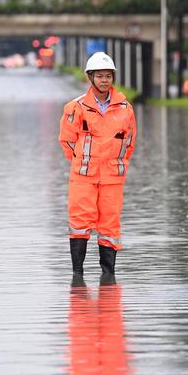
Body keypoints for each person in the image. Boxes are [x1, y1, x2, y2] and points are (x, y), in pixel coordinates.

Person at [59, 52, 136, 277]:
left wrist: (114, 164)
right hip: (84, 176)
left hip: (112, 177)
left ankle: (108, 275)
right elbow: (67, 141)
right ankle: (77, 276)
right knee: (80, 223)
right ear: (90, 78)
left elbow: (129, 143)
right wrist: (84, 162)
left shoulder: (125, 109)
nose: (104, 80)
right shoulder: (76, 107)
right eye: (100, 76)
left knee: (110, 226)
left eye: (108, 76)